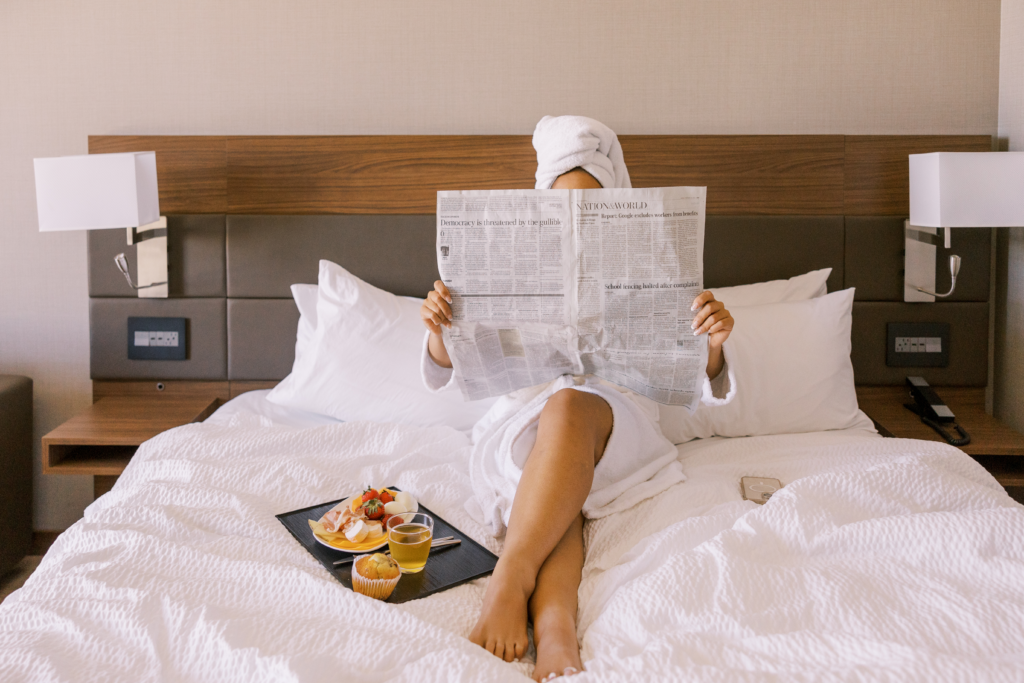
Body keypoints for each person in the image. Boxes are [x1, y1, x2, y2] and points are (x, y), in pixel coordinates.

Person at [419, 116, 736, 682]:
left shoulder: (656, 270)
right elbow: (454, 369)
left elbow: (695, 380)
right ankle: (557, 628)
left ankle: (510, 578)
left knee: (568, 412)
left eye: (591, 210)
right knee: (557, 467)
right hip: (527, 423)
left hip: (617, 423)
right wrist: (440, 331)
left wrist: (712, 345)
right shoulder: (509, 265)